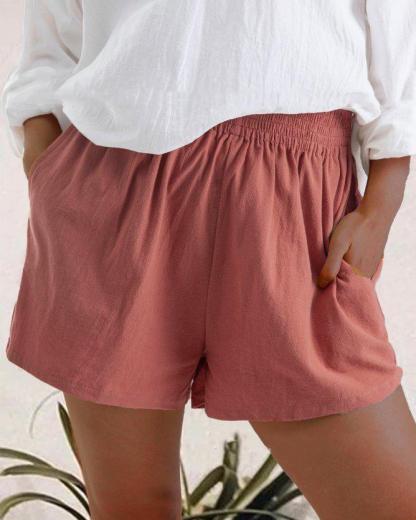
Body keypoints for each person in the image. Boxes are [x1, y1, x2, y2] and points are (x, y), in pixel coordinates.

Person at [2, 1, 416, 519]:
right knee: (131, 510)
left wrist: (385, 192)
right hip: (115, 182)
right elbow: (52, 29)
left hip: (293, 203)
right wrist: (44, 156)